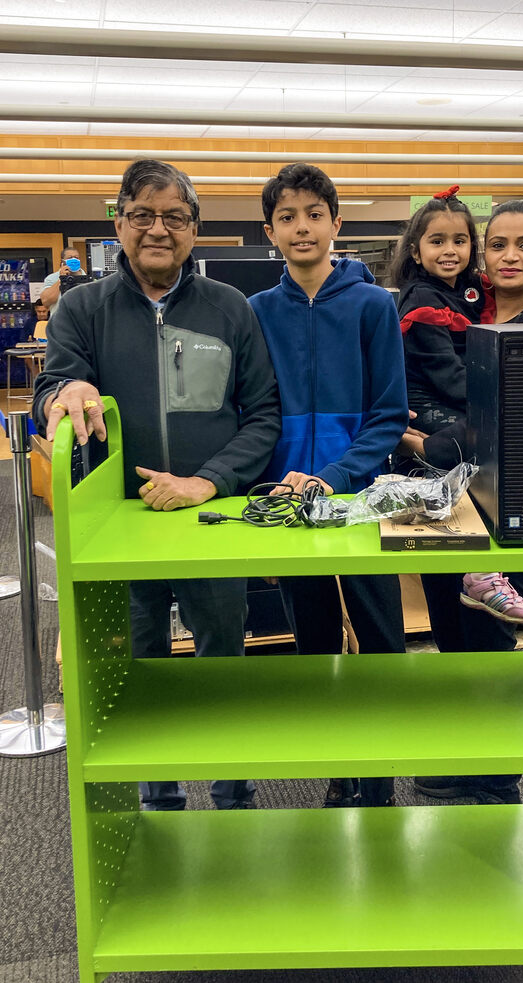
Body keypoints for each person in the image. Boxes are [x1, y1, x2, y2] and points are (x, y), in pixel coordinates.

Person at [32, 159, 281, 811]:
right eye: (141, 214)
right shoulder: (81, 310)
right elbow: (48, 392)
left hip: (209, 523)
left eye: (174, 216)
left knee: (222, 654)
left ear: (194, 229)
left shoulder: (231, 309)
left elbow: (263, 416)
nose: (157, 229)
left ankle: (233, 791)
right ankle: (158, 796)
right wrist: (67, 388)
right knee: (134, 664)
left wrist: (207, 481)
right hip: (117, 526)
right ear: (118, 222)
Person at [396, 196, 523, 805]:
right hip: (448, 503)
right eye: (497, 244)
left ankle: (498, 781)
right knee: (450, 632)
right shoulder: (467, 310)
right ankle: (465, 758)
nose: (508, 256)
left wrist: (428, 436)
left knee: (492, 646)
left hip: (511, 510)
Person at [250, 162, 409, 809]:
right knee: (312, 640)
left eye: (314, 213)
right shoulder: (257, 312)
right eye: (287, 216)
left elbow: (388, 415)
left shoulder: (374, 306)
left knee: (380, 639)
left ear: (336, 223)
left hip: (359, 500)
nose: (302, 227)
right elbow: (255, 410)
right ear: (270, 230)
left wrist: (335, 476)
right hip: (291, 504)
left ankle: (380, 779)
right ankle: (339, 770)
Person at [393, 185, 523, 627]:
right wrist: (497, 401)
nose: (450, 250)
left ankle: (483, 574)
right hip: (429, 400)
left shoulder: (472, 292)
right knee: (476, 442)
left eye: (460, 241)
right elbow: (449, 377)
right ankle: (480, 574)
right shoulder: (423, 300)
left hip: (456, 399)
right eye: (437, 241)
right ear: (416, 252)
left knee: (482, 452)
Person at [40, 247, 86, 317]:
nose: (73, 260)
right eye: (70, 258)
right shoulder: (51, 278)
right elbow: (46, 302)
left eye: (76, 258)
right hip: (60, 322)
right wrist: (61, 279)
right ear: (63, 261)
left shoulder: (88, 279)